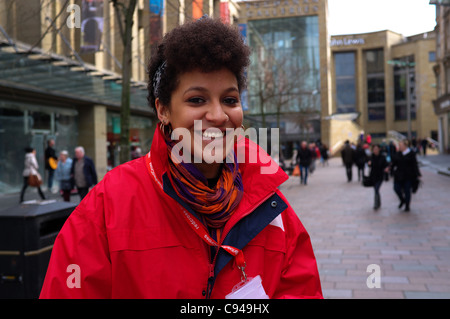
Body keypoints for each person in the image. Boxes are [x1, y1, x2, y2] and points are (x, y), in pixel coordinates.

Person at [40, 17, 322, 299]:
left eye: (230, 100)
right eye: (197, 100)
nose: (218, 115)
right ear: (163, 110)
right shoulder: (107, 205)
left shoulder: (272, 209)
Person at [390, 139, 421, 212]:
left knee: (407, 190)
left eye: (401, 145)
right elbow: (393, 163)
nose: (399, 147)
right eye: (399, 145)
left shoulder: (411, 154)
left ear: (405, 146)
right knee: (396, 188)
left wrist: (417, 174)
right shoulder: (398, 154)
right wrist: (389, 169)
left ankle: (407, 205)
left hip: (408, 175)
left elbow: (414, 164)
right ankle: (402, 200)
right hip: (398, 175)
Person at [367, 144, 389, 210]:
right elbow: (369, 165)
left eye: (376, 149)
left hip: (380, 176)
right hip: (373, 176)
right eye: (374, 149)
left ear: (379, 149)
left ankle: (375, 204)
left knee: (376, 189)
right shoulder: (371, 157)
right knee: (376, 190)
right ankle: (379, 202)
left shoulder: (382, 157)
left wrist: (386, 168)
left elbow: (386, 165)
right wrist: (369, 164)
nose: (375, 150)